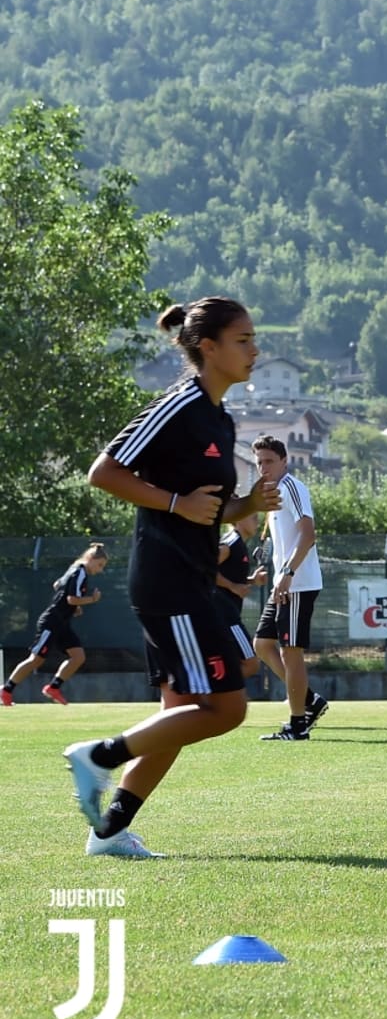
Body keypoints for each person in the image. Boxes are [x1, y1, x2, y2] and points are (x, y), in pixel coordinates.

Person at [62, 296, 281, 858]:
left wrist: (244, 504)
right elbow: (103, 472)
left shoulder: (218, 416)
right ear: (208, 348)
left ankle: (107, 833)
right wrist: (175, 501)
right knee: (226, 709)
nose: (255, 350)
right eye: (243, 340)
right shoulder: (178, 404)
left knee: (180, 715)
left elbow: (208, 510)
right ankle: (100, 757)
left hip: (188, 579)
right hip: (171, 582)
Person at [251, 435, 328, 741]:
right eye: (258, 462)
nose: (263, 467)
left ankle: (298, 724)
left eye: (268, 461)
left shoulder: (292, 487)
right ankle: (309, 700)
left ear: (284, 460)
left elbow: (308, 534)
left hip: (296, 584)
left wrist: (286, 573)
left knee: (290, 651)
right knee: (262, 644)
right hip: (283, 584)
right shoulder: (273, 493)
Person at [1, 542, 108, 706]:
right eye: (100, 565)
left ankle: (53, 687)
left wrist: (74, 607)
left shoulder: (75, 569)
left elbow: (57, 585)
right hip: (52, 621)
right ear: (91, 559)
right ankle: (6, 690)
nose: (100, 569)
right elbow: (71, 598)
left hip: (62, 623)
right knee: (35, 660)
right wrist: (91, 599)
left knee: (78, 656)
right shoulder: (80, 572)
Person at [215, 511, 263, 683]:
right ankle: (218, 692)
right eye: (253, 517)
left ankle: (214, 694)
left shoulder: (240, 544)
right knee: (251, 664)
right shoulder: (231, 543)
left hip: (226, 614)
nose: (257, 521)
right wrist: (233, 586)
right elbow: (205, 569)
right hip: (224, 615)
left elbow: (229, 576)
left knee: (228, 664)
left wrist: (251, 580)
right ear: (239, 519)